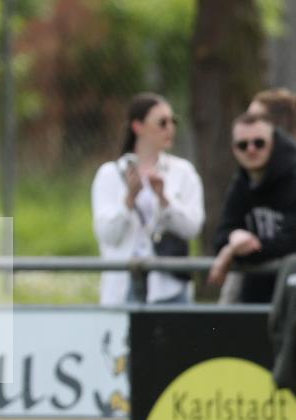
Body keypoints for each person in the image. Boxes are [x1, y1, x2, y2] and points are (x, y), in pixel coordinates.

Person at [91, 92, 204, 304]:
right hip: (124, 284)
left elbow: (192, 228)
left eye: (173, 121)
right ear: (138, 126)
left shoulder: (183, 172)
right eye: (162, 122)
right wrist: (129, 200)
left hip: (170, 285)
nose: (170, 128)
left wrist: (164, 199)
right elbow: (107, 235)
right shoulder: (110, 174)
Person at [209, 113, 296, 303]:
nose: (251, 150)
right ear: (234, 149)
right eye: (243, 145)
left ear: (273, 142)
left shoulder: (292, 176)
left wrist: (236, 251)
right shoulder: (242, 182)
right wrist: (234, 239)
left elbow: (291, 241)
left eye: (259, 143)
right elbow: (222, 235)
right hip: (256, 296)